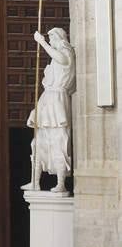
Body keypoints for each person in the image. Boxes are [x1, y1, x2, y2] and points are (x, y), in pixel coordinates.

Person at [21, 27, 76, 193]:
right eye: (49, 38)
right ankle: (35, 181)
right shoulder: (56, 56)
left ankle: (61, 183)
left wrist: (42, 42)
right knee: (37, 143)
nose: (50, 40)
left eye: (52, 37)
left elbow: (60, 59)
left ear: (59, 38)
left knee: (59, 141)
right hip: (48, 98)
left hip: (57, 99)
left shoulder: (66, 51)